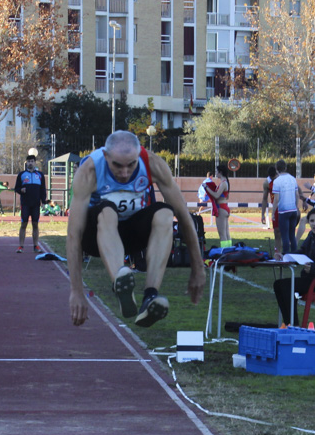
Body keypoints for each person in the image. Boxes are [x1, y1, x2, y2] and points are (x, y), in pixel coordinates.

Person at [67, 130, 205, 328]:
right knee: (107, 211)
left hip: (132, 236)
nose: (124, 173)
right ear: (106, 156)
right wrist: (76, 291)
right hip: (96, 237)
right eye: (117, 165)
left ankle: (150, 296)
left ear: (139, 155)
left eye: (131, 165)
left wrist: (198, 268)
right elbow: (74, 234)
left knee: (165, 214)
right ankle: (120, 281)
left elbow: (184, 215)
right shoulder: (89, 170)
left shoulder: (153, 164)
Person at [273, 208, 315, 327]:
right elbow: (303, 252)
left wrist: (314, 268)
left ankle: (293, 325)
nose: (314, 224)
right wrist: (284, 256)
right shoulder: (312, 235)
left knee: (286, 286)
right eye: (312, 221)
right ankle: (290, 323)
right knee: (278, 284)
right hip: (314, 278)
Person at [14, 151, 46, 253]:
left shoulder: (40, 175)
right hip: (25, 203)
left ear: (35, 163)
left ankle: (36, 245)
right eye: (28, 161)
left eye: (32, 161)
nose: (30, 163)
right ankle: (21, 246)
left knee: (35, 224)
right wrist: (21, 190)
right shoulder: (22, 175)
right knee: (24, 224)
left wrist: (44, 202)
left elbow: (43, 189)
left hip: (36, 204)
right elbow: (16, 188)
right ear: (26, 163)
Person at [270, 160, 300, 255]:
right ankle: (295, 255)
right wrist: (296, 207)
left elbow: (276, 198)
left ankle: (286, 255)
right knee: (292, 234)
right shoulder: (292, 179)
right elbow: (297, 194)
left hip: (283, 211)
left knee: (284, 235)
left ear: (276, 169)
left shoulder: (277, 181)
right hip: (293, 209)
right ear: (286, 168)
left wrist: (273, 211)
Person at [203, 164, 231, 248]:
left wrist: (206, 188)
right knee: (226, 233)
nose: (215, 173)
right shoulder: (225, 182)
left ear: (220, 172)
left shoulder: (223, 183)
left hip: (221, 209)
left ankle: (225, 252)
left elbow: (216, 195)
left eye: (217, 172)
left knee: (222, 234)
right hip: (224, 207)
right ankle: (229, 250)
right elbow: (226, 196)